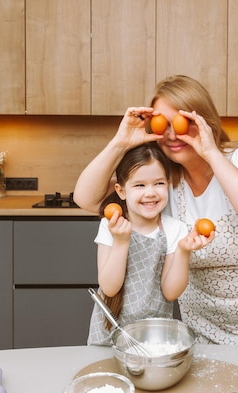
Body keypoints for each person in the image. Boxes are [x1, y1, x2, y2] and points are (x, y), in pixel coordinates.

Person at [75, 75, 238, 347]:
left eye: (182, 123)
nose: (172, 134)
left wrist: (211, 152)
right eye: (163, 124)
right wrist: (121, 142)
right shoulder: (162, 183)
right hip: (203, 325)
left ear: (204, 121)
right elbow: (86, 199)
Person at [87, 143, 212, 346]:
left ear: (169, 184)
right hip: (110, 333)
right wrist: (121, 241)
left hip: (154, 335)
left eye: (159, 183)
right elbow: (109, 288)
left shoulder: (175, 229)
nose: (151, 192)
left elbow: (171, 292)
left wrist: (183, 251)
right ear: (121, 191)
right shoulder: (110, 225)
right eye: (139, 185)